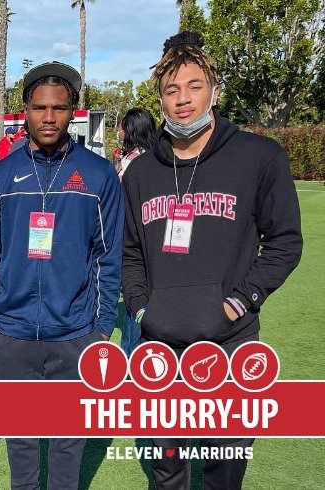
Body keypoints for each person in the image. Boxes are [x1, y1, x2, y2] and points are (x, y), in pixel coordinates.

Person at [122, 31, 303, 489]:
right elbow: (128, 252)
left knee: (225, 464)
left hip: (231, 340)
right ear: (160, 98)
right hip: (159, 345)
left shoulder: (258, 156)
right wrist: (143, 308)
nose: (183, 100)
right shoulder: (142, 172)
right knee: (167, 467)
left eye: (194, 86)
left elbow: (284, 242)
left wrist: (236, 302)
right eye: (172, 90)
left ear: (214, 90)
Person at [0, 61, 123, 489]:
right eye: (40, 107)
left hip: (75, 334)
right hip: (12, 334)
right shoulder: (1, 176)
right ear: (26, 109)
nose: (49, 117)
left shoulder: (98, 175)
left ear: (73, 109)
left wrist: (101, 331)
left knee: (67, 443)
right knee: (20, 443)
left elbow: (109, 257)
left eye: (58, 108)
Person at [114, 108, 156, 356]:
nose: (118, 132)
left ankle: (132, 357)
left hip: (130, 238)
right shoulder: (151, 157)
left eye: (122, 127)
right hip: (138, 239)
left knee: (134, 295)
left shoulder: (135, 161)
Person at [116, 108, 156, 179]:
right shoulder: (154, 153)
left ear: (129, 130)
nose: (118, 130)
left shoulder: (131, 160)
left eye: (119, 127)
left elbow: (120, 185)